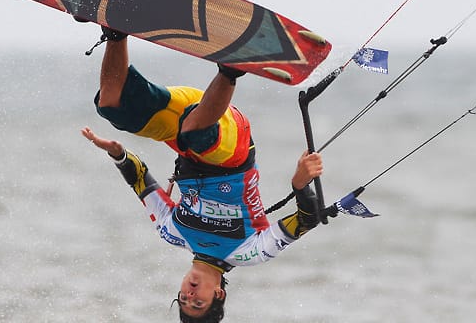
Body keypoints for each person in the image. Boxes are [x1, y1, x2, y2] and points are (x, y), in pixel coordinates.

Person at [82, 26, 327, 322]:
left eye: (183, 299)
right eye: (198, 303)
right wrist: (300, 184)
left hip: (190, 122)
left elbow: (142, 183)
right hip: (229, 142)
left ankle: (116, 32)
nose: (190, 294)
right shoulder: (250, 252)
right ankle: (232, 70)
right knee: (194, 134)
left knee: (113, 107)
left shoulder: (172, 232)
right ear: (219, 294)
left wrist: (118, 154)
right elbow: (308, 219)